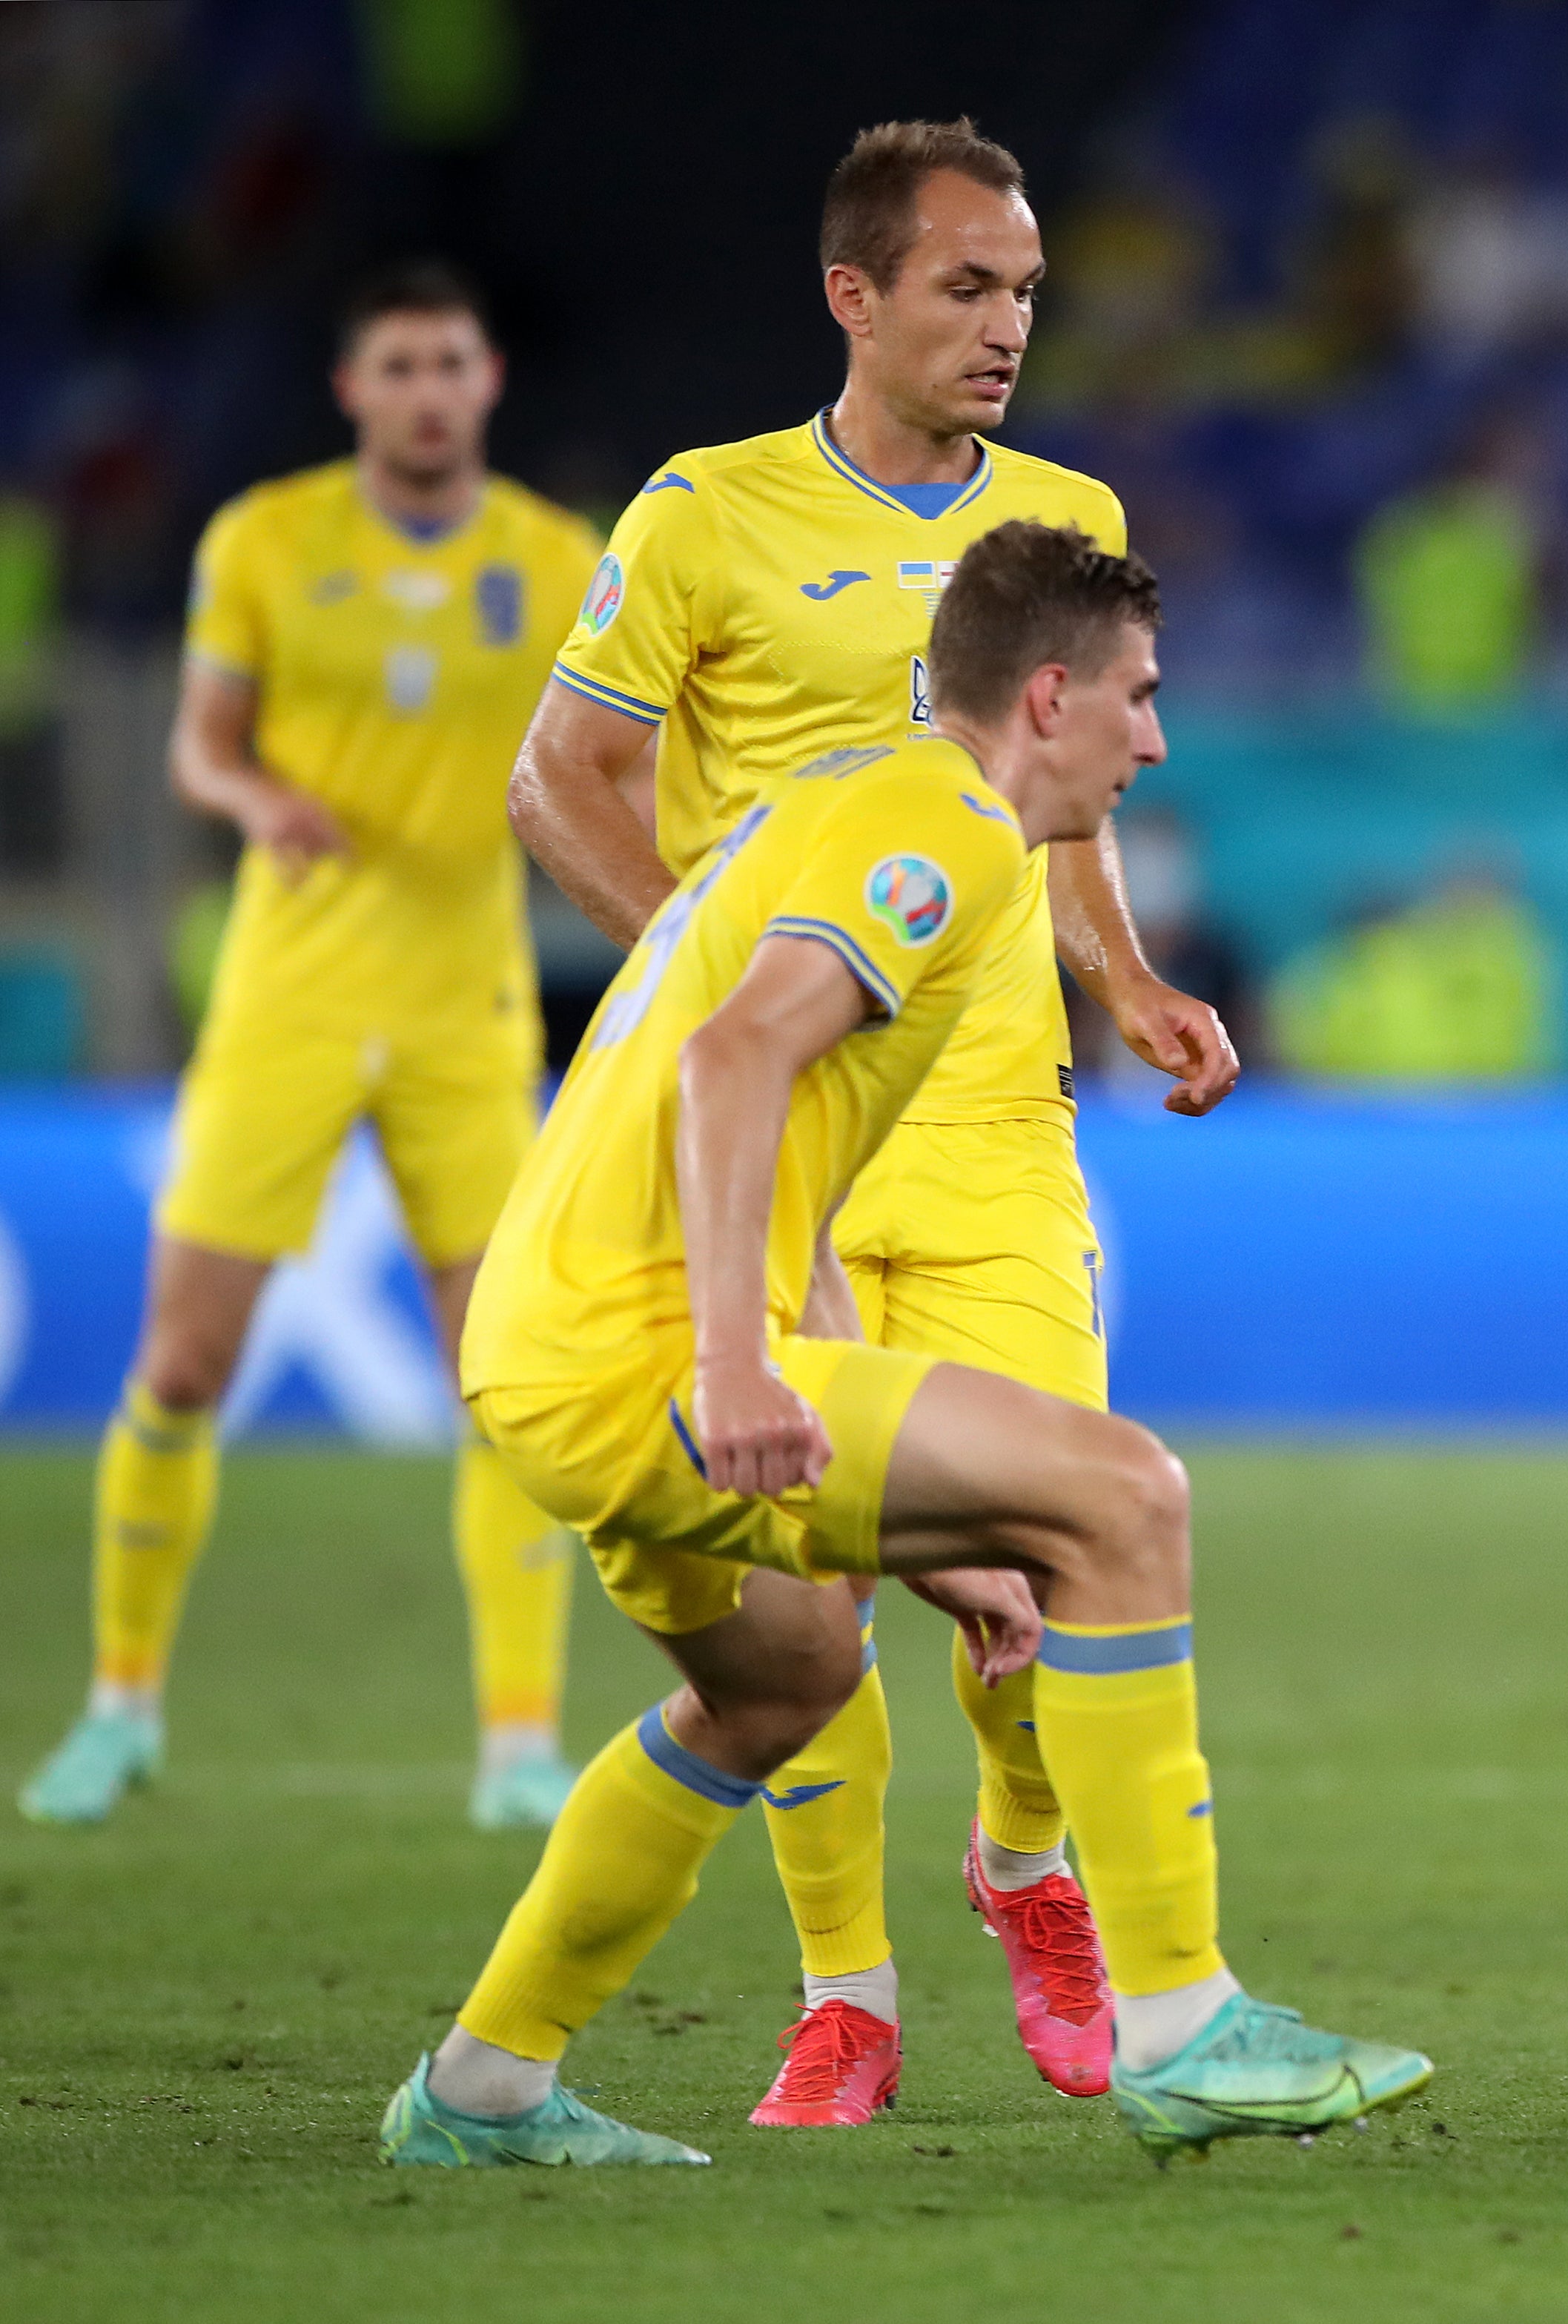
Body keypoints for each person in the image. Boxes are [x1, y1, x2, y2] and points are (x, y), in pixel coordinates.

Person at [382, 523, 1429, 2169]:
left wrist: (927, 1524)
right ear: (1052, 693)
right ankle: (1178, 2018)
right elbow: (732, 1065)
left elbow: (781, 1136)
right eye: (1141, 700)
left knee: (781, 1681)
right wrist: (735, 1368)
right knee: (1124, 1495)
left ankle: (482, 2084)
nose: (1157, 741)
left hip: (550, 1347)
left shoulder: (851, 801)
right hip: (638, 1351)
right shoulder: (939, 836)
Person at [505, 119, 1240, 2125]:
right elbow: (559, 776)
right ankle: (845, 1988)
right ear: (854, 296)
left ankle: (1028, 1858)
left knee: (1048, 1547)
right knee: (804, 1613)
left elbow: (1062, 796)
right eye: (964, 289)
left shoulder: (1061, 512)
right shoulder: (706, 514)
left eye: (1023, 293)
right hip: (777, 1142)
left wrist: (1123, 976)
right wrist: (727, 988)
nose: (1006, 327)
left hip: (993, 1124)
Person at [19, 264, 598, 1835]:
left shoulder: (557, 561)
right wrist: (251, 793)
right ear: (353, 390)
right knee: (183, 1359)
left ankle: (519, 1741)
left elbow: (615, 744)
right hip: (285, 992)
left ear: (487, 384)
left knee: (505, 1381)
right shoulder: (264, 538)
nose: (427, 389)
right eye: (398, 364)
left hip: (463, 1005)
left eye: (452, 362)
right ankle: (122, 1704)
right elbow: (200, 736)